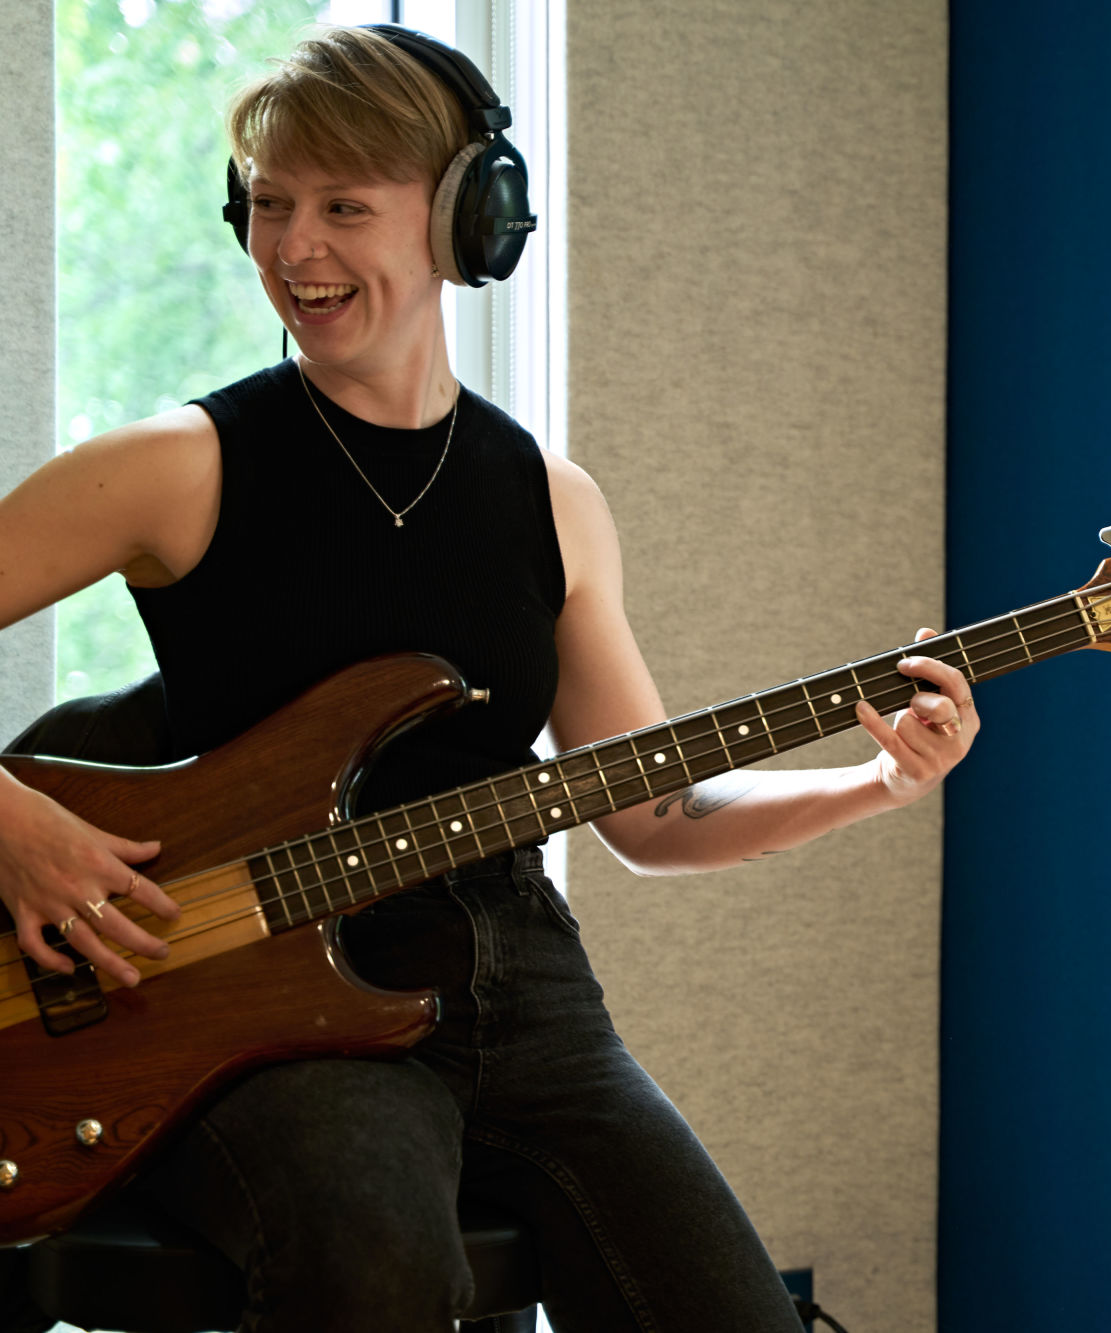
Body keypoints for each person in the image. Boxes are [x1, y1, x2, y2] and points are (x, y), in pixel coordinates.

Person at [0, 24, 975, 1332]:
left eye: (345, 206)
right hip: (263, 998)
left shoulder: (550, 503)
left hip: (527, 998)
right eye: (272, 205)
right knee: (381, 1276)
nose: (295, 249)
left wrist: (873, 779)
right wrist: (16, 828)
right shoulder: (184, 467)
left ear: (468, 219)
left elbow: (653, 816)